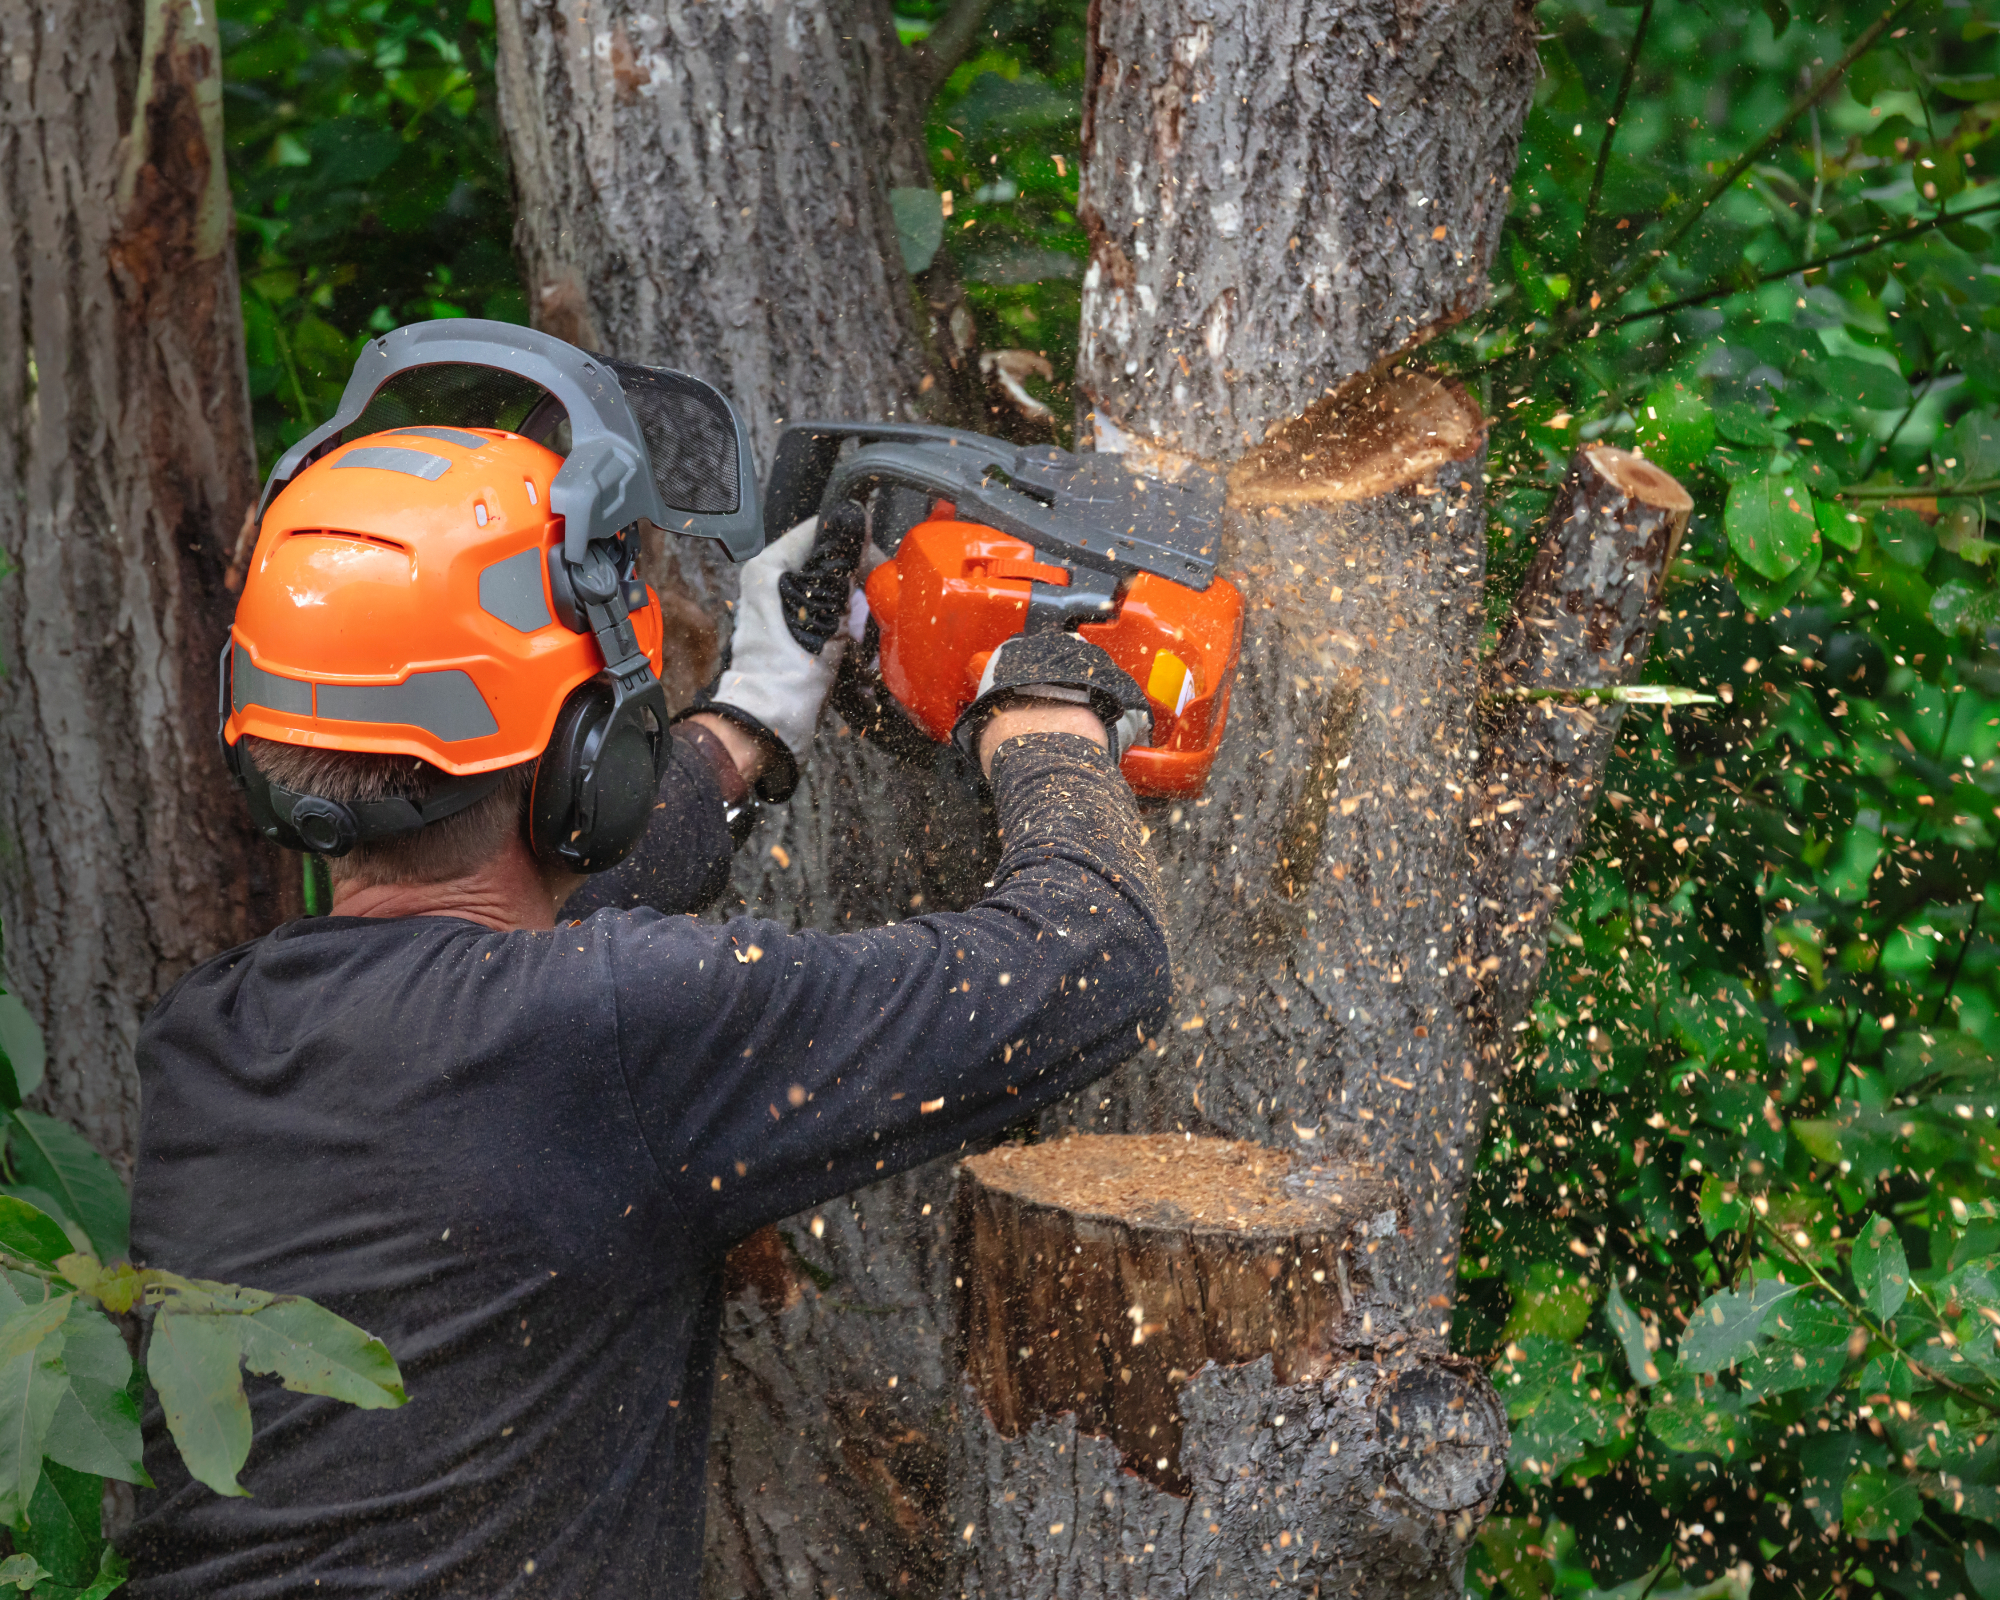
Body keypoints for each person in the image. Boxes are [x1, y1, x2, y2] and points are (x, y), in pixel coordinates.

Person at [122, 411, 1171, 1596]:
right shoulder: (611, 1028)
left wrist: (749, 720)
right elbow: (1094, 957)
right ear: (588, 749)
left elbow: (519, 919)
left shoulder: (210, 1034)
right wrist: (1042, 715)